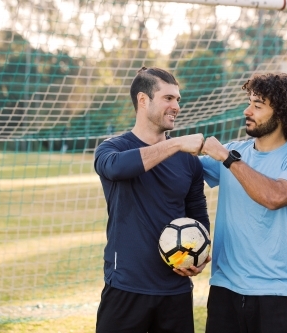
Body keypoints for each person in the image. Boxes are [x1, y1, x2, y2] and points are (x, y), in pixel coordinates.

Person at [199, 73, 287, 333]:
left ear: (282, 114)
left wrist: (227, 159)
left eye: (258, 105)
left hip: (277, 293)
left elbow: (274, 197)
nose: (247, 110)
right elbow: (180, 173)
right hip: (224, 289)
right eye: (249, 102)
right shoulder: (233, 150)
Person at [93, 66, 210, 333]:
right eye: (168, 98)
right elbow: (117, 168)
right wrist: (176, 144)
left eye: (177, 99)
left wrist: (200, 256)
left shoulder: (188, 162)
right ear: (143, 100)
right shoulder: (112, 149)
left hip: (175, 290)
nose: (176, 106)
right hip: (125, 286)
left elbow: (197, 214)